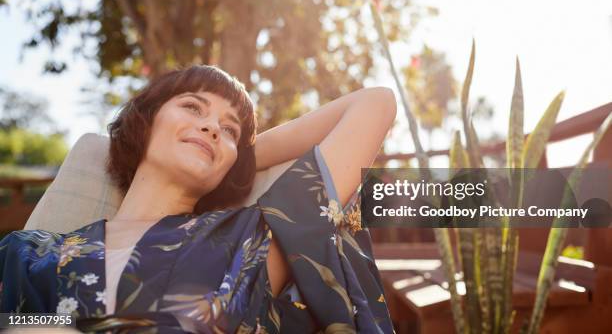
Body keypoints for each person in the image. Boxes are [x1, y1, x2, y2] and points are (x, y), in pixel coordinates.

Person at [0, 65, 397, 333]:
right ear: (146, 119)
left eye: (228, 129)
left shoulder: (251, 239)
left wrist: (237, 158)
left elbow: (374, 103)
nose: (211, 126)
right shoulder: (27, 253)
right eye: (193, 107)